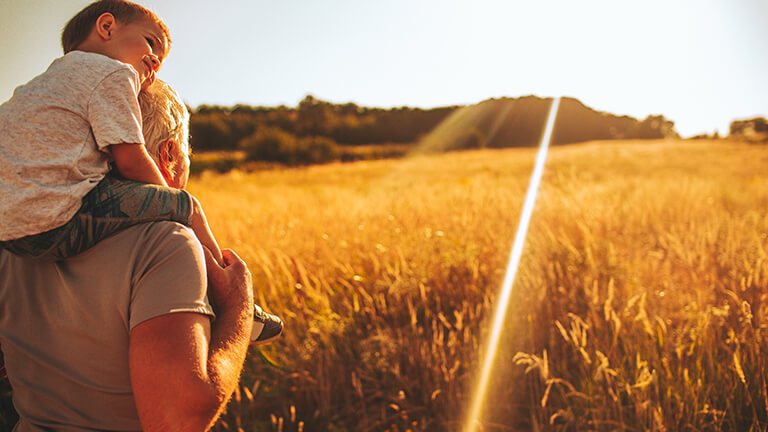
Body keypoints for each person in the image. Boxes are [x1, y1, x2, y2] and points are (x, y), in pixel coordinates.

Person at [0, 0, 282, 341]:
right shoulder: (113, 73)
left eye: (160, 58)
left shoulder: (40, 86)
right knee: (186, 205)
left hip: (11, 231)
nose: (155, 61)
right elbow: (131, 160)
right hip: (54, 221)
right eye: (151, 43)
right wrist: (169, 201)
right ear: (106, 28)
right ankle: (232, 298)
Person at [0, 78, 260, 431]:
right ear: (169, 155)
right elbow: (179, 419)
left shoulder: (19, 241)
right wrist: (237, 309)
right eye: (186, 153)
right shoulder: (165, 243)